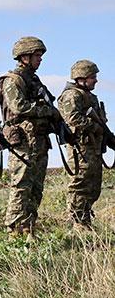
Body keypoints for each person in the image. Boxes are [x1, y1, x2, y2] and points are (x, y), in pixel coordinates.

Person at [0, 36, 54, 236]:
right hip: (22, 140)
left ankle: (28, 227)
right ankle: (15, 229)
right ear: (24, 57)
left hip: (39, 140)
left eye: (40, 55)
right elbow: (18, 107)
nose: (40, 59)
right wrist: (46, 111)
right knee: (21, 184)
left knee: (36, 186)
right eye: (36, 55)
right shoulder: (12, 80)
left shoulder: (34, 80)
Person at [58, 60, 107, 229]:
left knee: (93, 186)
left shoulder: (89, 96)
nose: (96, 80)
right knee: (80, 184)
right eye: (92, 77)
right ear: (82, 77)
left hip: (92, 149)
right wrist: (95, 127)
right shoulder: (72, 95)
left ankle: (84, 219)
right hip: (81, 148)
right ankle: (77, 222)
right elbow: (72, 118)